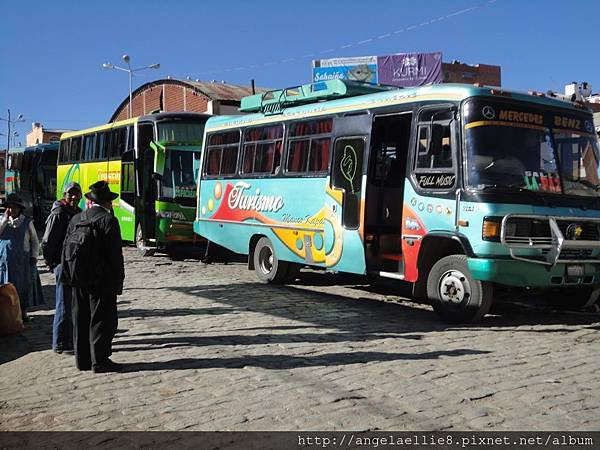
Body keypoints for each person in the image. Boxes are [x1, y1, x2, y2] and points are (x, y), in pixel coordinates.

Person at [66, 181, 125, 373]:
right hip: (102, 280)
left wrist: (67, 276)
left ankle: (82, 360)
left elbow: (66, 250)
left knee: (80, 318)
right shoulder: (108, 221)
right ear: (108, 202)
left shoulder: (76, 219)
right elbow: (115, 255)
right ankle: (99, 360)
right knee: (101, 320)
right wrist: (118, 280)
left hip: (78, 278)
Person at [42, 182, 83, 354]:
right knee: (63, 305)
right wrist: (52, 263)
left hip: (74, 264)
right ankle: (59, 342)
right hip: (61, 263)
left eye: (76, 194)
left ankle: (69, 339)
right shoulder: (58, 213)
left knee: (72, 304)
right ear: (64, 195)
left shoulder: (78, 214)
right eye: (70, 194)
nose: (73, 197)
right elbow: (47, 241)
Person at [0, 193, 41, 322]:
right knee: (6, 288)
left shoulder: (27, 222)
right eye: (9, 207)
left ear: (20, 209)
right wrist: (5, 220)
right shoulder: (2, 221)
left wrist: (34, 256)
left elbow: (34, 241)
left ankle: (23, 312)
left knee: (23, 287)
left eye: (14, 207)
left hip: (22, 262)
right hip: (6, 261)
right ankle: (7, 312)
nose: (12, 210)